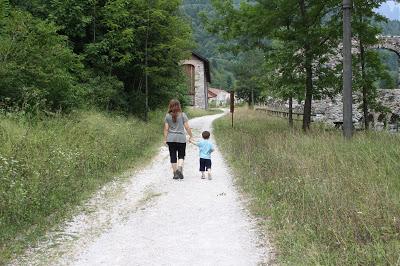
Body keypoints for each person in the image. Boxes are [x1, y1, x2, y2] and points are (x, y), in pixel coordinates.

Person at [164, 99, 193, 180]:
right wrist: (191, 135)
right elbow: (187, 127)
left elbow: (166, 129)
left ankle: (175, 173)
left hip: (171, 139)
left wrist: (165, 139)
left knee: (172, 155)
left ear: (170, 106)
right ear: (178, 106)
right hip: (181, 139)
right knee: (181, 155)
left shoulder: (167, 116)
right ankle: (179, 168)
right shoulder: (183, 115)